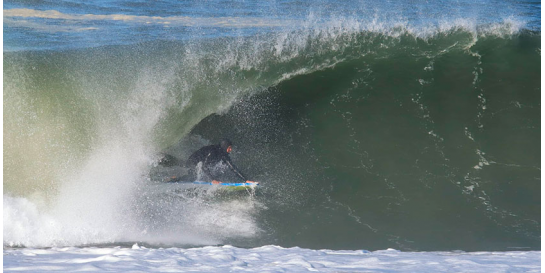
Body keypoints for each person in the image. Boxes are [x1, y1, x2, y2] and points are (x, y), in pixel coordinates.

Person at [182, 139, 255, 184]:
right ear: (225, 146)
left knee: (196, 176)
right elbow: (204, 166)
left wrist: (246, 180)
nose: (230, 150)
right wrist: (213, 180)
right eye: (229, 148)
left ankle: (175, 178)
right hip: (192, 161)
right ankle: (174, 179)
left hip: (199, 163)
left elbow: (233, 168)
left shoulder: (223, 154)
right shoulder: (212, 151)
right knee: (192, 176)